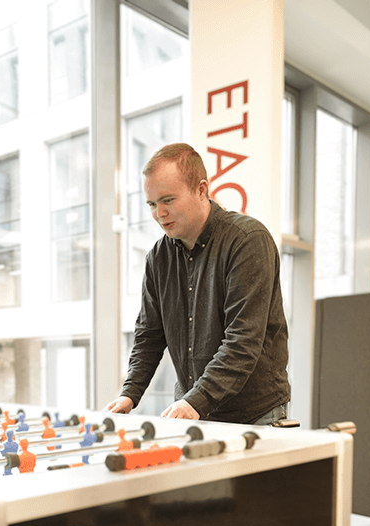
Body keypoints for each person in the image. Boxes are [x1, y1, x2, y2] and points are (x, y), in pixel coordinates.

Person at [106, 142, 290, 425]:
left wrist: (195, 400)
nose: (159, 214)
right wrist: (130, 393)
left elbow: (243, 341)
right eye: (152, 204)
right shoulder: (158, 257)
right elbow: (149, 335)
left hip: (254, 414)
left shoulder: (247, 240)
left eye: (168, 200)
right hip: (193, 410)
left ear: (201, 189)